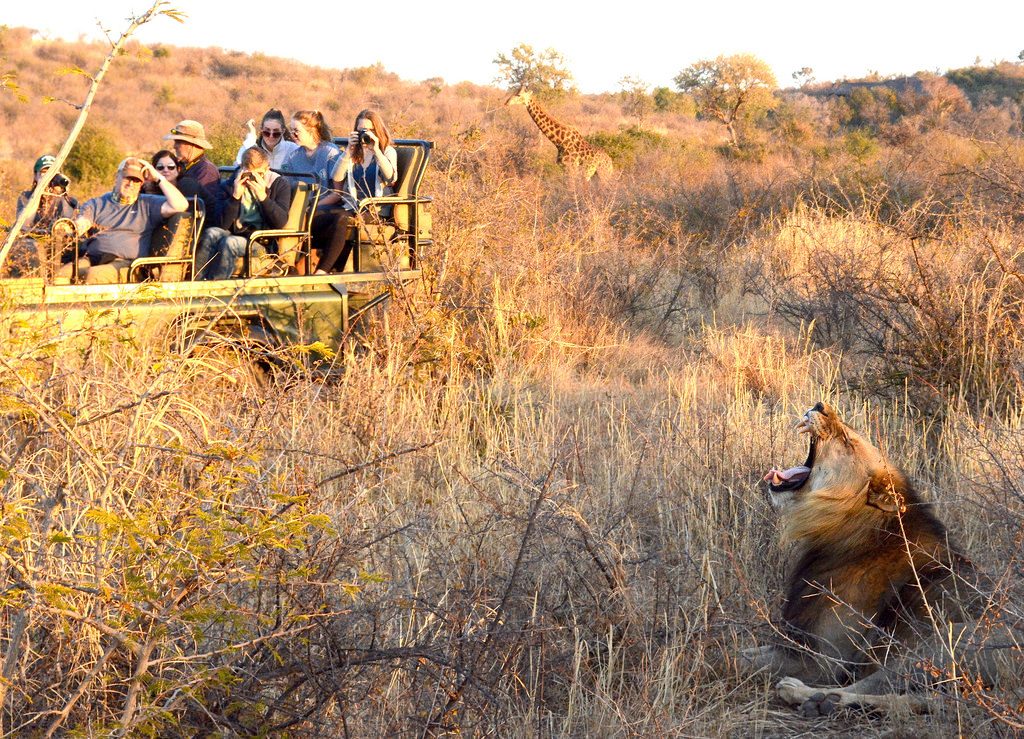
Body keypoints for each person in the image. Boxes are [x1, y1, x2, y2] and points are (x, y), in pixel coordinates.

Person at [56, 157, 187, 284]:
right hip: (93, 259)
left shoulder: (148, 204)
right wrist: (70, 229)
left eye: (136, 181)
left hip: (127, 264)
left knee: (94, 276)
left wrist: (158, 177)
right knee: (60, 276)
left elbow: (180, 204)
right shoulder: (97, 203)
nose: (130, 184)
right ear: (116, 177)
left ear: (141, 184)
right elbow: (82, 222)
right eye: (127, 178)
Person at [312, 109, 398, 274]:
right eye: (361, 130)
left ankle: (324, 271)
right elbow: (336, 177)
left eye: (370, 130)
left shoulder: (387, 151)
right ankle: (302, 262)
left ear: (377, 131)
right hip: (352, 206)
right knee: (314, 213)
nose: (365, 134)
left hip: (375, 210)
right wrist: (348, 152)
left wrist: (377, 151)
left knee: (340, 219)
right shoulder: (353, 153)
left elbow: (390, 178)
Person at [194, 146, 291, 280]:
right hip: (235, 233)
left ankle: (216, 289)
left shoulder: (278, 184)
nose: (254, 179)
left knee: (230, 243)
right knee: (211, 233)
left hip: (261, 241)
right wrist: (235, 197)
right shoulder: (229, 185)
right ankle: (196, 282)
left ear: (267, 169)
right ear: (241, 169)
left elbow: (280, 222)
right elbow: (221, 225)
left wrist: (263, 198)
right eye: (249, 174)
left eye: (259, 174)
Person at [5, 155, 79, 276]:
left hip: (58, 246)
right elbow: (24, 224)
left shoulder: (68, 200)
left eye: (53, 173)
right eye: (45, 172)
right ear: (35, 175)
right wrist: (39, 191)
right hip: (32, 244)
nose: (49, 177)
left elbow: (67, 225)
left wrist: (63, 193)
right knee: (29, 247)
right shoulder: (26, 197)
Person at [164, 119, 226, 222]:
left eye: (178, 142)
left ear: (191, 144)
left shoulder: (206, 170)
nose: (174, 146)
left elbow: (200, 207)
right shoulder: (183, 166)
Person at [280, 110, 341, 191]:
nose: (293, 135)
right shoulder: (293, 156)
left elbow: (338, 193)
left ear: (312, 131)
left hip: (325, 202)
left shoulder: (330, 152)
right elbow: (288, 187)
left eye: (296, 131)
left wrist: (314, 204)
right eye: (291, 131)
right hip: (301, 202)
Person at [233, 108, 300, 169]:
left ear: (283, 131)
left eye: (276, 133)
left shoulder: (294, 150)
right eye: (266, 132)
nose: (271, 136)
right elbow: (238, 167)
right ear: (261, 130)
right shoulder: (251, 150)